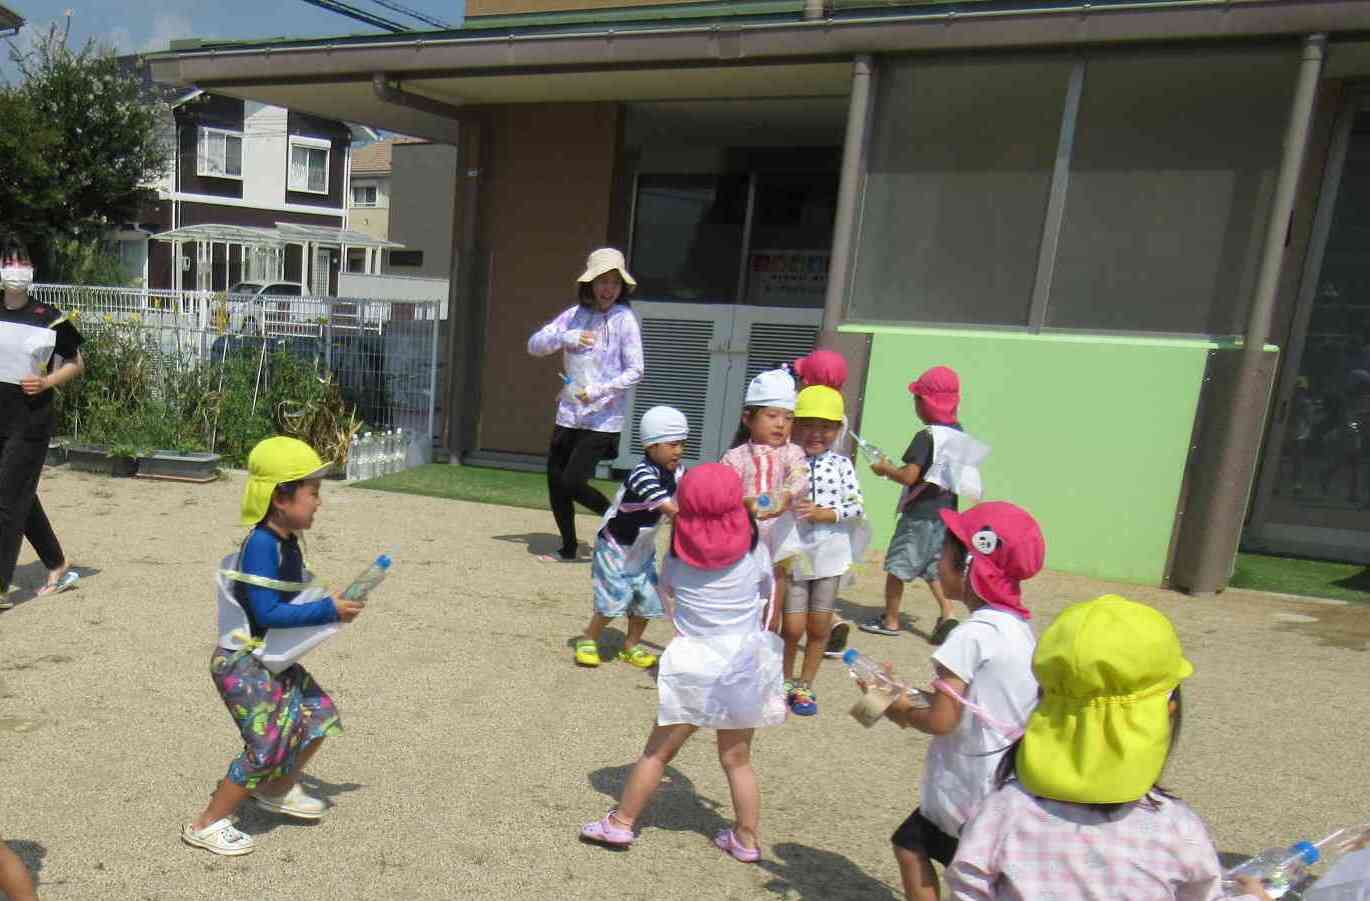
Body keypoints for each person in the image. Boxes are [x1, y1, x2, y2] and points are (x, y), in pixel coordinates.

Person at [945, 595, 1274, 901]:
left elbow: (967, 890)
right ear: (1167, 711)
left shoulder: (1002, 813)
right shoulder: (1176, 828)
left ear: (1046, 705)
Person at [580, 464, 785, 862]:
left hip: (693, 662)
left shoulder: (677, 554)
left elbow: (668, 593)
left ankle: (621, 823)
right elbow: (768, 590)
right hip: (743, 661)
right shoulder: (755, 548)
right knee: (737, 759)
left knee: (657, 753)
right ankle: (746, 838)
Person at [182, 437, 364, 856]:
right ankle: (207, 823)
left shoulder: (285, 541)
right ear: (281, 498)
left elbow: (288, 599)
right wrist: (328, 610)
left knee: (320, 716)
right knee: (266, 745)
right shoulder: (262, 545)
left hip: (269, 659)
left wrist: (332, 602)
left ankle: (276, 788)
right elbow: (266, 614)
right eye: (312, 493)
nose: (319, 503)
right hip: (243, 662)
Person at [866, 502, 1044, 901]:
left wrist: (895, 706)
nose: (937, 559)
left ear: (968, 566)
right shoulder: (1018, 629)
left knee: (916, 848)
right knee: (919, 848)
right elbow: (972, 702)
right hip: (1005, 780)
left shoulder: (970, 635)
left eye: (944, 552)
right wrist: (905, 692)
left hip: (968, 785)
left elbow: (943, 720)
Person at [527, 248, 645, 562]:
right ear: (590, 283)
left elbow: (636, 370)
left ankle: (622, 523)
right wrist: (566, 337)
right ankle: (568, 547)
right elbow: (535, 345)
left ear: (622, 287)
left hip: (603, 417)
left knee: (573, 481)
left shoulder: (624, 320)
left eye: (614, 283)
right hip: (568, 413)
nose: (608, 289)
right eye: (602, 281)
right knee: (555, 482)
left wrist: (598, 391)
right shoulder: (573, 315)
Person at [0, 234, 83, 608]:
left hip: (30, 418)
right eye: (9, 261)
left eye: (22, 261)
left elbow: (76, 363)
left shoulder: (50, 318)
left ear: (32, 269)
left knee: (5, 500)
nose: (16, 269)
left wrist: (47, 380)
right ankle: (57, 562)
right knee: (17, 495)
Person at [574, 405, 688, 669]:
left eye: (681, 443)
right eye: (672, 444)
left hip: (642, 545)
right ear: (651, 446)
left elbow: (692, 492)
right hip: (614, 546)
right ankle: (588, 638)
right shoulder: (642, 474)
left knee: (646, 599)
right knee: (614, 596)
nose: (679, 451)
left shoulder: (679, 472)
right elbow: (669, 509)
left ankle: (631, 646)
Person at [776, 385, 866, 716]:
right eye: (808, 425)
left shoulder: (842, 465)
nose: (817, 434)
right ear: (794, 424)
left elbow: (856, 505)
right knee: (792, 627)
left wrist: (827, 513)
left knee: (818, 626)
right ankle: (782, 681)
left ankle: (806, 685)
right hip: (794, 551)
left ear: (837, 429)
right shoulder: (785, 458)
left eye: (826, 426)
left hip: (830, 554)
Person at [863, 365, 970, 644]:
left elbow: (909, 475)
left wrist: (885, 469)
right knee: (933, 567)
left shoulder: (927, 436)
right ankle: (948, 614)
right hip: (945, 513)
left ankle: (891, 619)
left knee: (898, 566)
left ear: (926, 403)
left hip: (920, 515)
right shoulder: (959, 434)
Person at [720, 368, 809, 624]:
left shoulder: (793, 452)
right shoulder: (735, 457)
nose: (781, 424)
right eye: (772, 416)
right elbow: (724, 494)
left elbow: (800, 477)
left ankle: (767, 641)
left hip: (779, 535)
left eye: (788, 418)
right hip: (743, 535)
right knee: (740, 596)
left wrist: (786, 495)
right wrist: (745, 504)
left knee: (773, 599)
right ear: (748, 419)